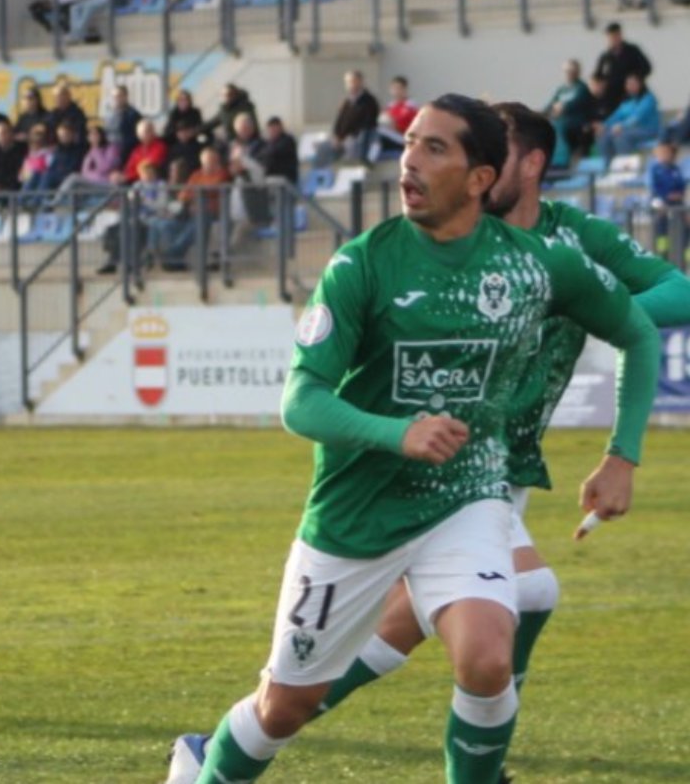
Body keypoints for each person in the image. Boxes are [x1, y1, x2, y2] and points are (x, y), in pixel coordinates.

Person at [165, 94, 661, 784]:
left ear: (480, 177)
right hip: (356, 514)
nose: (409, 161)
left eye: (434, 148)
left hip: (468, 497)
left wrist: (622, 453)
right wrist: (397, 432)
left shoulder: (536, 265)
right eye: (408, 143)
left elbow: (636, 329)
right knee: (285, 705)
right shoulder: (362, 265)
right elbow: (300, 401)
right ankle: (202, 767)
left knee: (489, 653)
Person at [314, 69, 380, 167]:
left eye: (352, 81)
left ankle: (350, 170)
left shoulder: (369, 101)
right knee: (323, 147)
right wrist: (337, 136)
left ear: (360, 82)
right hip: (341, 138)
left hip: (357, 138)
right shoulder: (347, 102)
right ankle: (323, 176)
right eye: (347, 82)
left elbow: (367, 123)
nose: (350, 85)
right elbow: (339, 121)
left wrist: (347, 137)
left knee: (351, 144)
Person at [594, 73, 659, 164]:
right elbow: (616, 116)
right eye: (628, 84)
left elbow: (637, 118)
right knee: (603, 136)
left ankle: (624, 168)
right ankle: (609, 167)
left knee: (621, 136)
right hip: (630, 130)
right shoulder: (628, 101)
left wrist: (622, 126)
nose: (629, 86)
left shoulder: (648, 98)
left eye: (633, 84)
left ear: (641, 84)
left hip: (648, 130)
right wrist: (604, 125)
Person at [542, 59, 593, 169]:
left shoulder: (582, 88)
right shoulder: (562, 89)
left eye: (571, 71)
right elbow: (551, 104)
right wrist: (540, 114)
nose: (569, 74)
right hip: (559, 119)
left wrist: (562, 107)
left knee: (558, 126)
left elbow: (574, 104)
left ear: (577, 72)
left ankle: (560, 162)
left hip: (576, 121)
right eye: (567, 71)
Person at [592, 22, 652, 115]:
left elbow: (647, 68)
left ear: (620, 35)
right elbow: (598, 76)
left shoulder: (633, 51)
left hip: (631, 97)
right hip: (612, 99)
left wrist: (634, 78)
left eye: (615, 36)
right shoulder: (605, 57)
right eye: (610, 37)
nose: (612, 39)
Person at [649, 141, 688, 257]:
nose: (663, 155)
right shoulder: (655, 169)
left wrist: (679, 194)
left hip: (677, 203)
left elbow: (681, 184)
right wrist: (665, 196)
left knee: (686, 226)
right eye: (660, 153)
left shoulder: (675, 168)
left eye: (666, 153)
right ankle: (662, 255)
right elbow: (654, 186)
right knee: (661, 228)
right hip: (661, 202)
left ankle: (686, 256)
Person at [113, 118, 167, 185]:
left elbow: (149, 167)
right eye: (141, 133)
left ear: (153, 132)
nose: (143, 135)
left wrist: (128, 177)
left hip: (152, 181)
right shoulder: (137, 150)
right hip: (136, 180)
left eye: (147, 131)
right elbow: (129, 168)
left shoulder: (160, 146)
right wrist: (122, 176)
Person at [377, 75, 419, 152]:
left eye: (399, 88)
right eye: (394, 88)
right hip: (389, 137)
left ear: (405, 89)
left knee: (379, 131)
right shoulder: (390, 106)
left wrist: (393, 124)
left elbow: (412, 127)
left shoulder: (411, 106)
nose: (396, 91)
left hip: (403, 138)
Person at [104, 84, 142, 166]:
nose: (116, 99)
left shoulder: (133, 114)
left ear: (126, 96)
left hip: (126, 155)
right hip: (109, 154)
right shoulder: (109, 114)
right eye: (114, 97)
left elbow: (137, 138)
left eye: (119, 96)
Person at [255, 116, 299, 185]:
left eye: (275, 127)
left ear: (281, 127)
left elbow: (274, 152)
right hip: (270, 180)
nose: (273, 130)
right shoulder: (268, 143)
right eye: (271, 128)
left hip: (285, 181)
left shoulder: (288, 140)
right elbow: (259, 155)